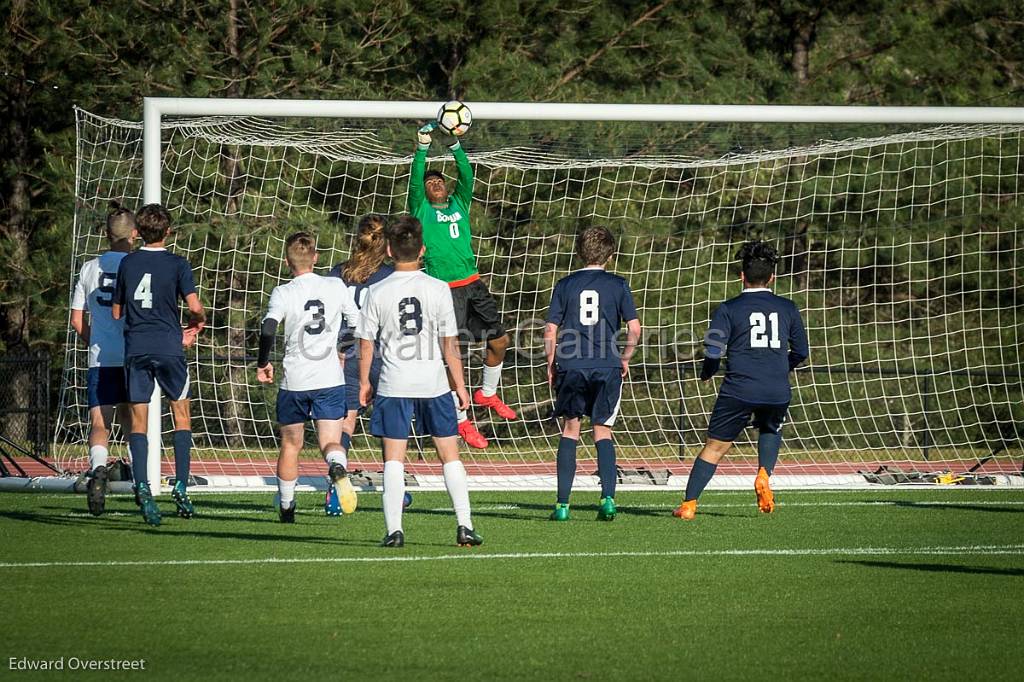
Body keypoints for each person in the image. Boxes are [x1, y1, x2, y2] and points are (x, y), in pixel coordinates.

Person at [356, 215, 482, 548]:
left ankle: (394, 531)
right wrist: (461, 384)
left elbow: (366, 343)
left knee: (393, 459)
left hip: (394, 383)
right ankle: (464, 526)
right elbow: (449, 343)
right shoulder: (438, 288)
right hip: (434, 384)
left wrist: (364, 384)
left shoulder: (375, 291)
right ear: (422, 250)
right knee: (449, 454)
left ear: (387, 250)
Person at [673, 240, 809, 520]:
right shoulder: (788, 307)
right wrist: (780, 368)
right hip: (776, 389)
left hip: (739, 387)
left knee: (715, 447)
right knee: (770, 428)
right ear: (772, 277)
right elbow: (802, 352)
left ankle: (689, 504)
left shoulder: (728, 308)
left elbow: (713, 350)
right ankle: (763, 474)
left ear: (741, 276)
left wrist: (708, 371)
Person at [408, 122, 515, 450]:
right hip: (445, 290)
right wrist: (422, 149)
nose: (436, 183)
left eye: (440, 180)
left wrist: (455, 145)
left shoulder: (459, 203)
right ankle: (462, 422)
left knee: (500, 340)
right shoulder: (421, 209)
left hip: (474, 285)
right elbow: (415, 180)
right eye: (431, 181)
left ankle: (487, 393)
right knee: (450, 355)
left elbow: (466, 175)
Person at [256, 232, 362, 523]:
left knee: (291, 445)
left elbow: (268, 328)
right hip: (329, 378)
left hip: (295, 381)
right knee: (330, 441)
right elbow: (356, 322)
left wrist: (263, 362)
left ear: (287, 261)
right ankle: (337, 465)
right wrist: (342, 349)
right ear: (315, 257)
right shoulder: (335, 284)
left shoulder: (283, 291)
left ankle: (287, 507)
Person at [112, 203, 206, 526]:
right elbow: (195, 307)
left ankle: (143, 486)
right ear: (168, 232)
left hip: (137, 347)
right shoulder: (179, 264)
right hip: (169, 347)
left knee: (138, 421)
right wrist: (197, 324)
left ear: (138, 232)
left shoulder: (128, 263)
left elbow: (116, 312)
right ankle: (180, 483)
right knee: (181, 413)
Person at [544, 226, 642, 522]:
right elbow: (635, 328)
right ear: (610, 256)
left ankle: (562, 505)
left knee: (570, 430)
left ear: (578, 253)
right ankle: (608, 499)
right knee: (603, 431)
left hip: (572, 364)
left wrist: (551, 363)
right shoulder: (618, 284)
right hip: (606, 364)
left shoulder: (565, 284)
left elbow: (550, 329)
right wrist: (624, 357)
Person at [70, 203, 136, 516]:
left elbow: (76, 319)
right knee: (133, 418)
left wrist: (94, 341)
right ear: (134, 233)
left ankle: (98, 470)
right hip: (133, 356)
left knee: (100, 422)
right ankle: (141, 477)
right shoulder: (138, 266)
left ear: (105, 234)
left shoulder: (89, 268)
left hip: (101, 356)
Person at [328, 214, 394, 475]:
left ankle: (337, 480)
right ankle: (394, 486)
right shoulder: (391, 276)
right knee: (391, 425)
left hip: (346, 354)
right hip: (383, 354)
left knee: (345, 423)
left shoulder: (338, 273)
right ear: (386, 242)